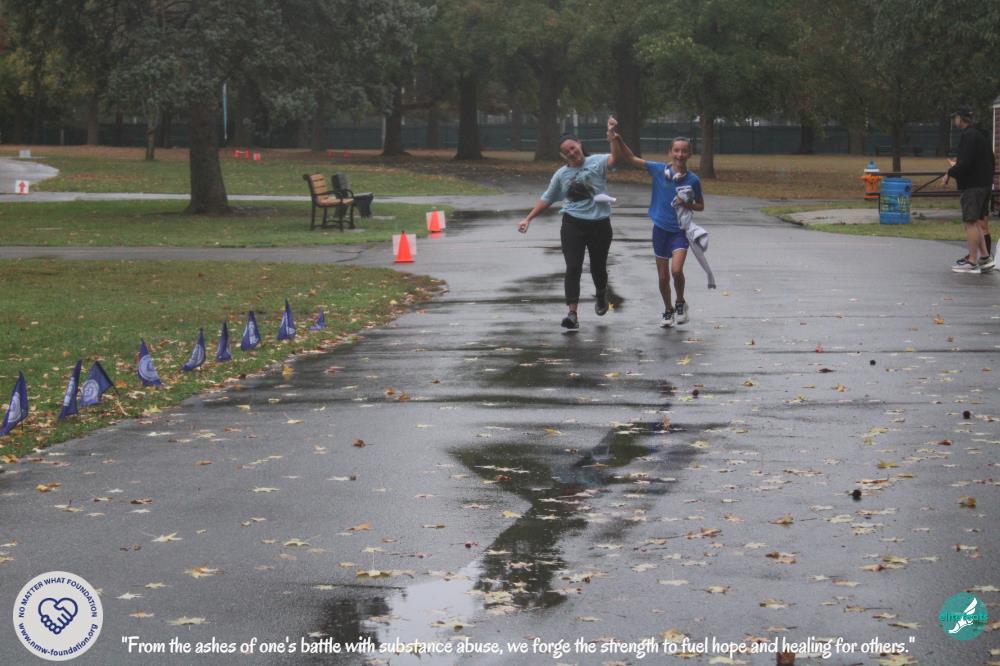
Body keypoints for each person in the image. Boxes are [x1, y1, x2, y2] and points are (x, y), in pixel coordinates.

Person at [607, 116, 704, 327]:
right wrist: (618, 138)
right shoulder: (659, 170)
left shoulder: (693, 180)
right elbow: (631, 158)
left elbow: (700, 206)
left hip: (680, 231)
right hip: (660, 230)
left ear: (689, 154)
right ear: (670, 152)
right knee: (662, 277)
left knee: (676, 270)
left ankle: (680, 302)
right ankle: (668, 310)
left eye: (684, 151)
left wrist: (687, 203)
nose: (680, 155)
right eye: (676, 151)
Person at [517, 132, 616, 330]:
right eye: (566, 151)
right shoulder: (561, 175)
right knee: (573, 267)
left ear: (579, 144)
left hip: (600, 225)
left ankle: (600, 294)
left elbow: (615, 158)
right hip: (573, 224)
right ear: (563, 155)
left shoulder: (598, 162)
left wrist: (613, 138)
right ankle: (572, 314)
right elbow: (547, 198)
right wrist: (528, 218)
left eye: (573, 147)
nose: (571, 152)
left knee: (598, 267)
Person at [946, 106, 996, 273]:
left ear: (961, 119)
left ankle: (972, 260)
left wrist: (950, 171)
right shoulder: (981, 135)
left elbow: (965, 163)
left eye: (956, 118)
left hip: (973, 186)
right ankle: (985, 257)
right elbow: (990, 160)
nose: (954, 121)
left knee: (970, 223)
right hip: (984, 185)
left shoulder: (969, 136)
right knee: (977, 222)